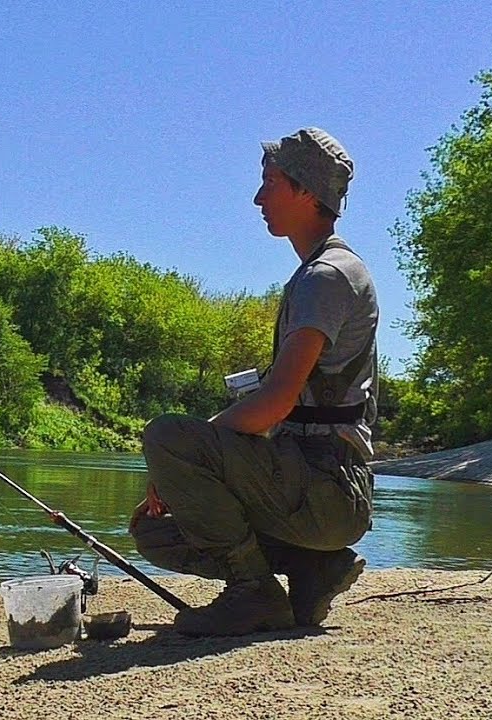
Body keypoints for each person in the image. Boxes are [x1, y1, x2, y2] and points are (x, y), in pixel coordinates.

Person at [129, 127, 378, 636]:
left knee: (165, 435)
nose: (259, 198)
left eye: (270, 182)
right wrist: (181, 476)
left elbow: (275, 404)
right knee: (155, 530)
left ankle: (254, 594)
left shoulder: (327, 276)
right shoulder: (319, 274)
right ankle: (313, 569)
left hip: (330, 490)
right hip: (311, 486)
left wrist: (180, 456)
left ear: (306, 191)